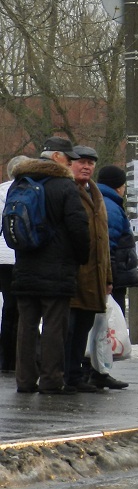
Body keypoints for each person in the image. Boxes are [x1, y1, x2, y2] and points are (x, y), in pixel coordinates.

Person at [12, 136, 89, 395]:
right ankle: (51, 380)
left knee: (26, 326)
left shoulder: (19, 183)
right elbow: (78, 226)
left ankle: (24, 380)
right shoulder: (64, 187)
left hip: (24, 265)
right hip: (57, 268)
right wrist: (82, 256)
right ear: (57, 157)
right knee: (55, 326)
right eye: (69, 159)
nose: (71, 164)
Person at [66, 146, 128, 392]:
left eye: (91, 163)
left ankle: (75, 375)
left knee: (83, 327)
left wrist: (108, 277)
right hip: (75, 273)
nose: (87, 166)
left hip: (95, 275)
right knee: (70, 328)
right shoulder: (68, 190)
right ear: (70, 164)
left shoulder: (96, 194)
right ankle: (68, 375)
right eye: (81, 161)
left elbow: (103, 242)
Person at [0, 154, 31, 372]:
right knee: (23, 308)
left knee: (9, 308)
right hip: (21, 256)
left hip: (3, 257)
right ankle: (21, 357)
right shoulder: (32, 190)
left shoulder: (1, 190)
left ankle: (6, 359)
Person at [96, 165, 138, 314]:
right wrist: (110, 279)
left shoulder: (99, 199)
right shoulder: (111, 207)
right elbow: (108, 246)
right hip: (115, 276)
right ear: (119, 187)